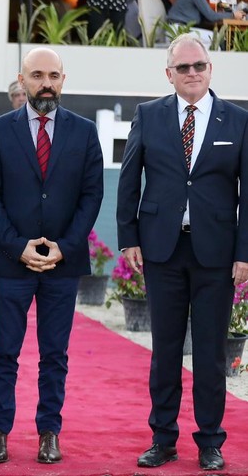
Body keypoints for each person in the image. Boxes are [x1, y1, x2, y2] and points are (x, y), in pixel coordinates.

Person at [116, 34, 248, 472]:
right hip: (162, 251)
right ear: (168, 73)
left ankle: (210, 441)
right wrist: (128, 237)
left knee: (210, 352)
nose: (193, 73)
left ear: (211, 69)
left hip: (216, 253)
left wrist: (244, 252)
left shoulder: (239, 121)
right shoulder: (148, 115)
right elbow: (129, 179)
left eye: (200, 66)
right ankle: (163, 438)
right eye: (183, 67)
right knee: (166, 350)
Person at [0, 47, 103, 465]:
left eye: (53, 75)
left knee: (55, 354)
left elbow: (91, 195)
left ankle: (50, 431)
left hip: (62, 264)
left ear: (63, 80)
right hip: (12, 261)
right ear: (22, 79)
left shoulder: (84, 132)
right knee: (4, 351)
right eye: (37, 75)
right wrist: (18, 246)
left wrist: (64, 248)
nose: (45, 83)